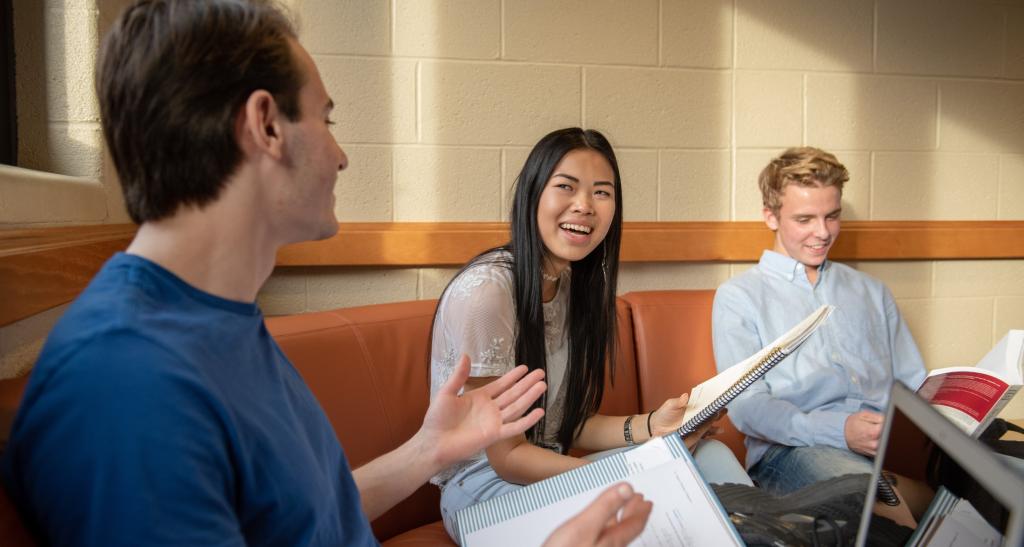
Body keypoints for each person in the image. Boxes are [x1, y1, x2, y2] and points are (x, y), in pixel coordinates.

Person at [0, 1, 651, 545]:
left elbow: (299, 516)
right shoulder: (126, 381)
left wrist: (427, 451)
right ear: (265, 126)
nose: (340, 156)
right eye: (326, 118)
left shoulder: (217, 320)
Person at [430, 127, 752, 540]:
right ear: (533, 194)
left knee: (708, 452)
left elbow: (570, 424)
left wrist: (656, 427)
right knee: (668, 484)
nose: (584, 206)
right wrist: (633, 474)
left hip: (549, 472)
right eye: (566, 186)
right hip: (487, 493)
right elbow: (508, 457)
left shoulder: (572, 287)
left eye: (602, 192)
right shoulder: (487, 293)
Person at [711, 146, 927, 496]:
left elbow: (914, 384)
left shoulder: (872, 292)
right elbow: (748, 407)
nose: (823, 233)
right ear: (771, 217)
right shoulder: (740, 297)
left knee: (1001, 476)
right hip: (794, 450)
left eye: (832, 216)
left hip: (888, 447)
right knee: (869, 497)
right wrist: (839, 430)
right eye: (805, 219)